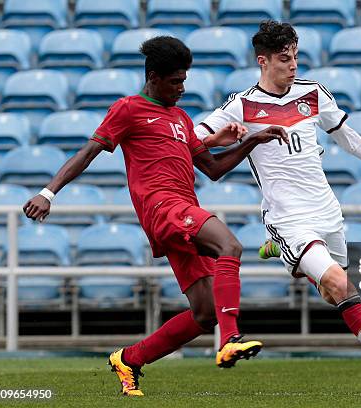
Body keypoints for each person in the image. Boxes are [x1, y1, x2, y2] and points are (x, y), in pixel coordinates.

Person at [22, 36, 288, 397]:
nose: (182, 88)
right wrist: (47, 192)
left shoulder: (180, 118)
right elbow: (88, 152)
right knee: (230, 245)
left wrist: (252, 141)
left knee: (205, 312)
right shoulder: (128, 108)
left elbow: (212, 168)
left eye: (184, 80)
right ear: (153, 77)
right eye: (175, 81)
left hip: (183, 213)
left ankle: (129, 359)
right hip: (165, 210)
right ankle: (230, 339)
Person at [194, 21, 361, 394]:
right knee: (339, 283)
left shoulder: (314, 94)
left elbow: (349, 139)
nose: (293, 65)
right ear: (263, 61)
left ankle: (286, 258)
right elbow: (193, 138)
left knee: (330, 290)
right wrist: (222, 136)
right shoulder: (241, 105)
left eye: (296, 56)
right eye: (285, 59)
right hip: (288, 218)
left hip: (327, 212)